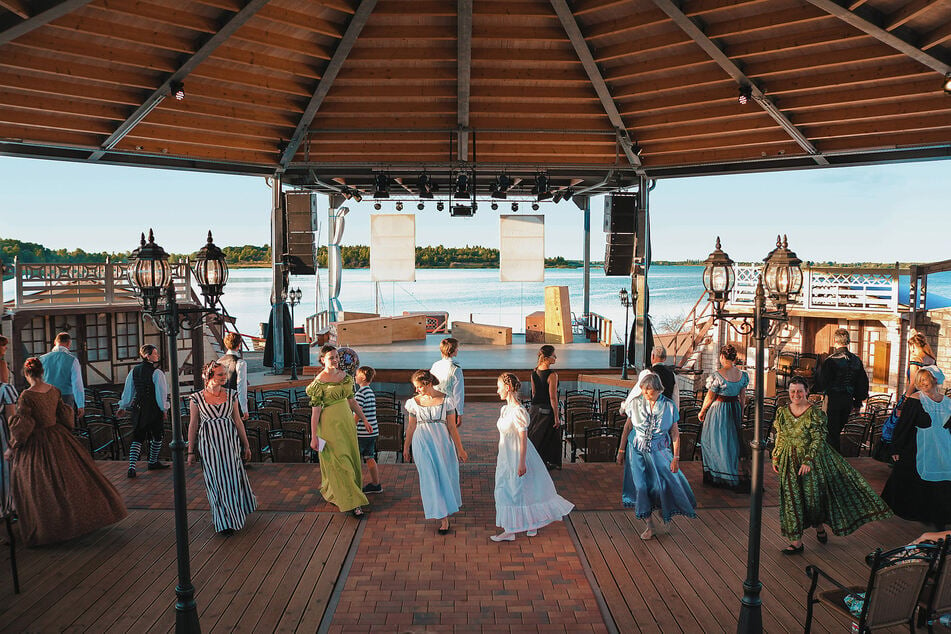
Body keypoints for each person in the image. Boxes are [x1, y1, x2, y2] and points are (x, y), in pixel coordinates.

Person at [4, 358, 126, 546]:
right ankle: (78, 521)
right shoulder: (54, 390)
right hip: (58, 437)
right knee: (72, 481)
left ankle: (50, 528)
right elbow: (66, 418)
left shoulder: (26, 396)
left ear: (27, 374)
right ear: (42, 372)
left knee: (39, 486)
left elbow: (24, 425)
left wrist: (12, 446)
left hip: (37, 442)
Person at [772, 377, 892, 554]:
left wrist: (808, 460)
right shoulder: (782, 412)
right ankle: (796, 542)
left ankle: (819, 526)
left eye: (799, 391)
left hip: (811, 463)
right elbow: (780, 436)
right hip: (789, 462)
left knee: (812, 501)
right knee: (792, 500)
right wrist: (776, 456)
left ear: (807, 392)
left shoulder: (815, 413)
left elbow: (818, 439)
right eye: (792, 391)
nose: (795, 395)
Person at [492, 372, 573, 541]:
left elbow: (523, 438)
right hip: (506, 456)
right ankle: (511, 529)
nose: (497, 391)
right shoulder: (504, 409)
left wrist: (521, 463)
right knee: (504, 489)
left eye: (499, 387)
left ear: (507, 388)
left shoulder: (518, 412)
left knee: (521, 489)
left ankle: (528, 524)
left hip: (517, 456)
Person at [618, 372, 697, 539]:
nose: (646, 394)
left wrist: (676, 458)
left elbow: (675, 433)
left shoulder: (668, 406)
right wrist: (621, 450)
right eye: (644, 390)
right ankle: (649, 525)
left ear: (658, 390)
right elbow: (627, 428)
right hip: (637, 451)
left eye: (650, 391)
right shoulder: (635, 404)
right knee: (641, 487)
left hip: (660, 452)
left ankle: (664, 511)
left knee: (661, 486)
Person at [187, 361, 256, 536]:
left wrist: (246, 445)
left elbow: (238, 421)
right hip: (209, 446)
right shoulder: (197, 398)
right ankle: (223, 521)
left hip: (230, 444)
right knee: (216, 482)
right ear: (209, 376)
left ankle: (234, 516)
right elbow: (193, 425)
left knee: (232, 480)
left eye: (225, 374)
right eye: (220, 374)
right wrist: (190, 451)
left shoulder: (232, 395)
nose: (224, 377)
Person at [881, 367, 951, 528]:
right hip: (921, 445)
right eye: (920, 381)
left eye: (925, 379)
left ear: (935, 379)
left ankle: (942, 513)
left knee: (944, 477)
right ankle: (922, 512)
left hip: (945, 446)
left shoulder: (948, 402)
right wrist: (896, 448)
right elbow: (904, 425)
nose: (923, 383)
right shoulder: (916, 399)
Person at [306, 345, 371, 517]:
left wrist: (364, 419)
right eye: (330, 358)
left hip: (347, 424)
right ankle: (354, 502)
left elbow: (352, 401)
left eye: (336, 357)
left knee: (350, 458)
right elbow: (315, 413)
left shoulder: (346, 378)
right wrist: (313, 437)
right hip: (329, 427)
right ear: (322, 360)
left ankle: (347, 493)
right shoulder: (318, 383)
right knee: (339, 461)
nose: (335, 360)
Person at [404, 369, 468, 534]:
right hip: (421, 443)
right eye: (416, 387)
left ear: (428, 383)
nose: (417, 390)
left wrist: (460, 449)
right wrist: (406, 446)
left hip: (442, 443)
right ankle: (443, 518)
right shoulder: (413, 402)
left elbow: (452, 427)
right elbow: (411, 426)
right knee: (429, 477)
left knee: (444, 475)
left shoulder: (447, 400)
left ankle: (444, 510)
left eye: (419, 387)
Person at [879, 331, 943, 452]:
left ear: (913, 346)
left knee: (898, 425)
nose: (910, 350)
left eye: (910, 347)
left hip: (915, 396)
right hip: (929, 397)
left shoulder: (915, 359)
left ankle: (895, 454)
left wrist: (905, 400)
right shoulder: (931, 359)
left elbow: (913, 383)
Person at [698, 345, 749, 490]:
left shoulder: (717, 375)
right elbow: (743, 397)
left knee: (713, 441)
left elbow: (709, 397)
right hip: (735, 409)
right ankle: (731, 474)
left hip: (719, 410)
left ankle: (719, 475)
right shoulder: (742, 375)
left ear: (722, 357)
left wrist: (702, 411)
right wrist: (741, 412)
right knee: (731, 443)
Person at [813, 328, 869, 452]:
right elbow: (862, 383)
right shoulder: (856, 360)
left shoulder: (831, 360)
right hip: (847, 401)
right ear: (847, 341)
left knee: (830, 433)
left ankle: (835, 463)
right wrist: (857, 401)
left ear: (835, 341)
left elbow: (822, 382)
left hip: (832, 401)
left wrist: (811, 391)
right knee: (836, 432)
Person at [118, 344, 169, 478]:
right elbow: (161, 393)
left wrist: (123, 406)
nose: (157, 355)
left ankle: (132, 467)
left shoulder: (133, 371)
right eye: (155, 353)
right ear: (147, 356)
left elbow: (128, 391)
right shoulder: (156, 372)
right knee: (157, 435)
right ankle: (152, 461)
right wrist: (164, 408)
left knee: (138, 437)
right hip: (153, 408)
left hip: (139, 408)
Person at [527, 345, 563, 470]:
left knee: (535, 435)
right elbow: (553, 397)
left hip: (534, 408)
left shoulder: (534, 372)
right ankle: (549, 462)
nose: (556, 358)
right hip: (547, 409)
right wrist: (557, 417)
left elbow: (533, 393)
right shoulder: (552, 375)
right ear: (547, 358)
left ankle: (534, 462)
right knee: (549, 435)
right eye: (554, 355)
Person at [39, 332, 84, 419]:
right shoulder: (73, 360)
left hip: (47, 396)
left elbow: (39, 380)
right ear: (69, 344)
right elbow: (77, 384)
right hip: (66, 397)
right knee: (65, 425)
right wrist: (80, 404)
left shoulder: (42, 359)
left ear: (55, 342)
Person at [354, 365, 382, 494]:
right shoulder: (370, 392)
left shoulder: (360, 394)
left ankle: (356, 486)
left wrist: (351, 427)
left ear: (363, 377)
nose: (354, 376)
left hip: (362, 432)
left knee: (356, 459)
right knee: (369, 457)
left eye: (356, 375)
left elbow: (358, 414)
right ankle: (376, 484)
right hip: (372, 431)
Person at [431, 337, 464, 428]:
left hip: (435, 404)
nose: (458, 349)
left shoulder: (435, 365)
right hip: (449, 407)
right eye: (457, 348)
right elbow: (458, 393)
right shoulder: (456, 369)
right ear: (452, 351)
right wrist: (460, 413)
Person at [218, 332, 249, 419]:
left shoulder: (219, 361)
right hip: (234, 403)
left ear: (226, 345)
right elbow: (241, 387)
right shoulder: (240, 363)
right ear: (239, 345)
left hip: (220, 403)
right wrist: (244, 409)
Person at [0, 373, 18, 520]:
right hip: (2, 435)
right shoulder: (5, 389)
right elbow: (11, 418)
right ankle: (6, 507)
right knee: (5, 469)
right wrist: (13, 443)